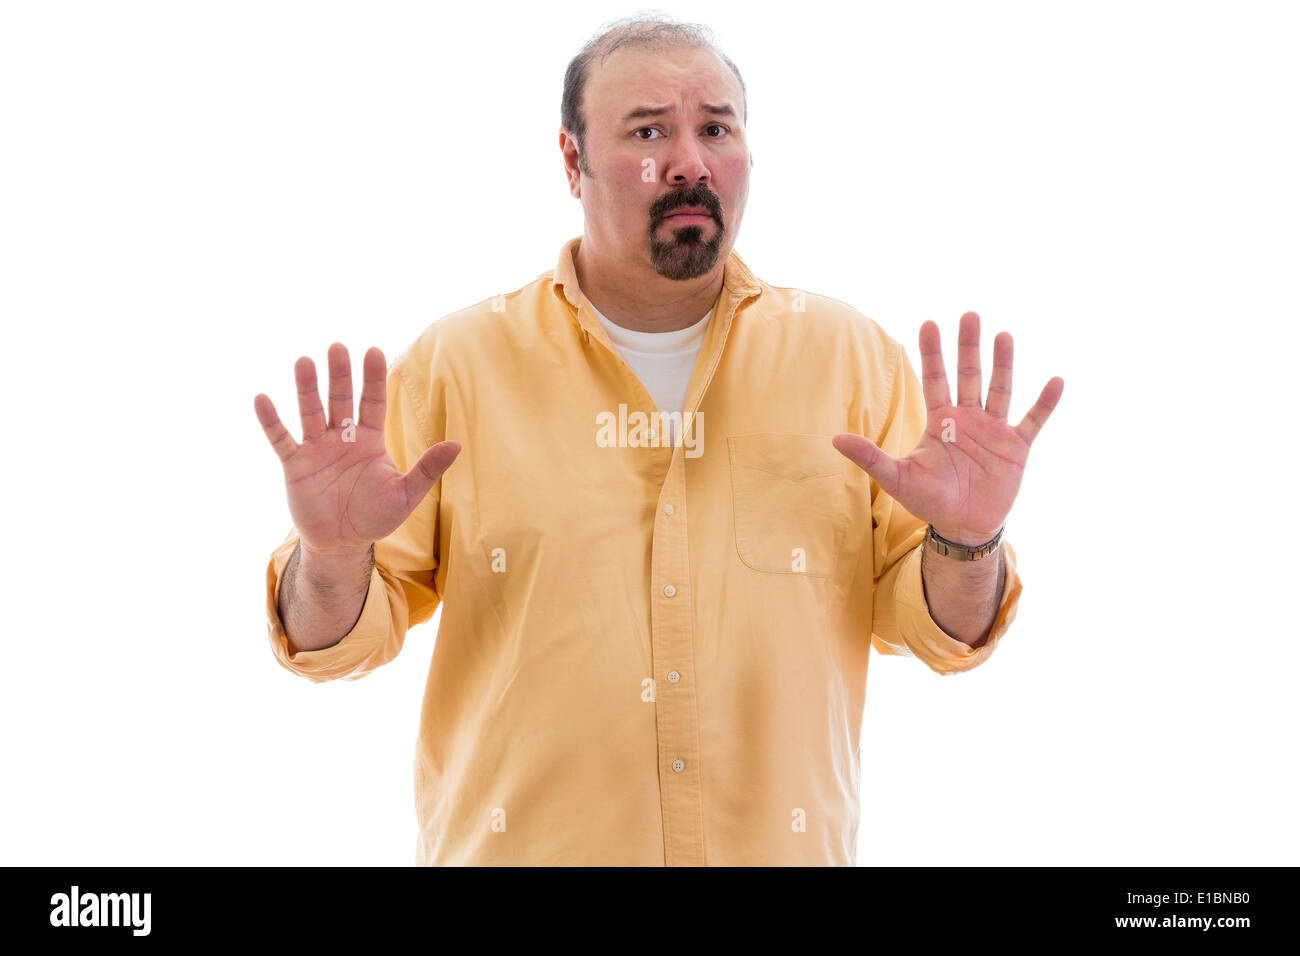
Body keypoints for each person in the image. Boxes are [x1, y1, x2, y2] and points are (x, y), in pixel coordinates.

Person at [253, 14, 1063, 866]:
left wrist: (967, 541)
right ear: (573, 161)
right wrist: (334, 553)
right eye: (649, 131)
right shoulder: (457, 366)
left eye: (716, 128)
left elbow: (937, 631)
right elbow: (335, 643)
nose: (689, 161)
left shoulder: (851, 359)